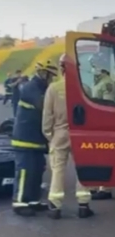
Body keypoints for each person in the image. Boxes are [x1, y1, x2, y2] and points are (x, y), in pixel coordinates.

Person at [42, 54, 94, 219]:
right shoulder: (85, 88)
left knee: (58, 170)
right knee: (83, 170)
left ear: (61, 68)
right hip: (81, 135)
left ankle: (55, 206)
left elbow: (47, 116)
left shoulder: (53, 88)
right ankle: (83, 205)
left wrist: (50, 136)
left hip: (60, 133)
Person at [11, 60, 58, 217]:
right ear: (43, 73)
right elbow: (44, 106)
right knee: (25, 171)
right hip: (25, 139)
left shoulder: (41, 88)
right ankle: (20, 202)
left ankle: (33, 200)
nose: (52, 79)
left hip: (36, 139)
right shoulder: (31, 88)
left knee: (37, 170)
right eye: (50, 75)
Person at [88, 52, 115, 200]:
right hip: (97, 123)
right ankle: (97, 186)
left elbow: (107, 105)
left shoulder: (107, 83)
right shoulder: (98, 81)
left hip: (104, 124)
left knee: (105, 156)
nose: (92, 68)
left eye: (94, 65)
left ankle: (106, 189)